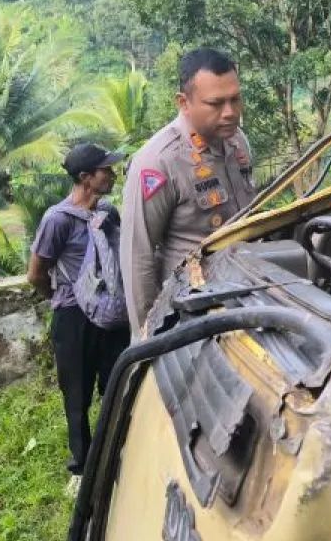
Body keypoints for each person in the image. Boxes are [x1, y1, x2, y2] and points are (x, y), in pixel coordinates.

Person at [120, 47, 257, 332]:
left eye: (235, 99)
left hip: (247, 296)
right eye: (216, 103)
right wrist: (150, 338)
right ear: (184, 103)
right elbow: (138, 257)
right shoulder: (158, 162)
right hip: (192, 316)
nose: (230, 113)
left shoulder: (237, 141)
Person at [27, 142, 129, 491]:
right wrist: (64, 298)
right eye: (106, 170)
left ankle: (120, 453)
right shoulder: (57, 219)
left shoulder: (109, 212)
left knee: (119, 382)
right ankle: (82, 468)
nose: (113, 174)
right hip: (73, 317)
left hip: (112, 313)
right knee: (77, 392)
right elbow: (36, 273)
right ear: (86, 177)